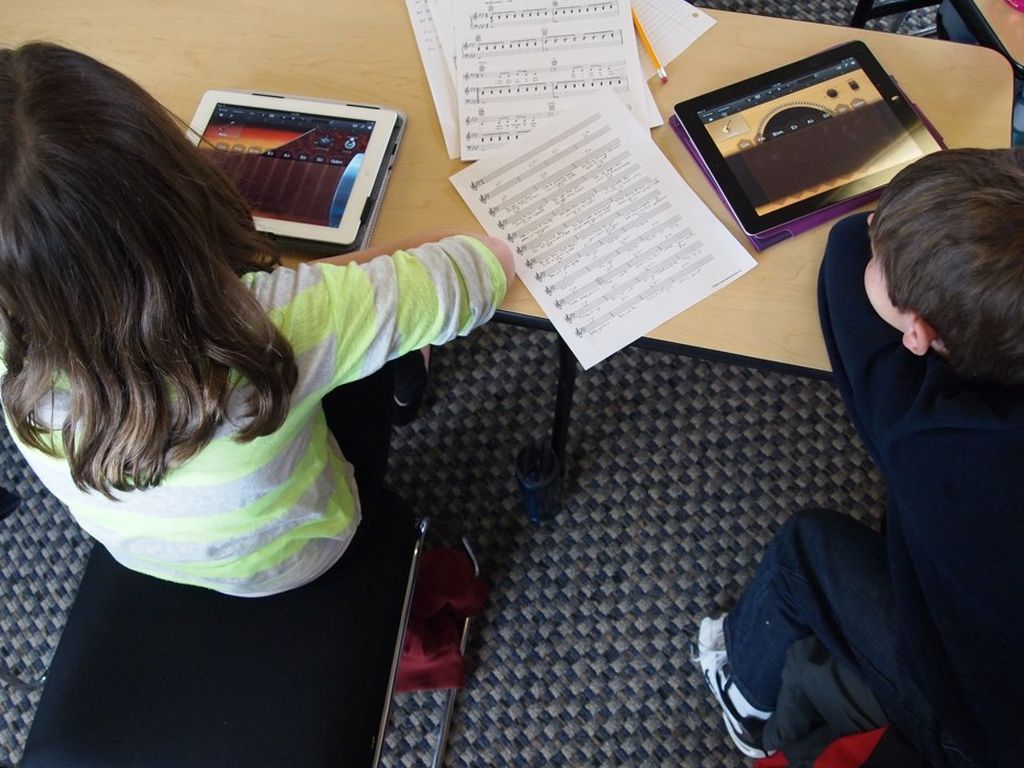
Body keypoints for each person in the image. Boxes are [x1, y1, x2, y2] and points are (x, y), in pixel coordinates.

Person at [0, 42, 515, 597]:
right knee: (390, 336)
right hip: (301, 553)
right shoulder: (276, 323)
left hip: (141, 553)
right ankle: (403, 396)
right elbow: (486, 265)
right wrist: (335, 281)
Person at [694, 148, 1024, 767]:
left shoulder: (930, 437)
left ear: (919, 335)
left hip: (975, 730)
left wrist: (883, 232)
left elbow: (847, 247)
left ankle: (743, 697)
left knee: (805, 550)